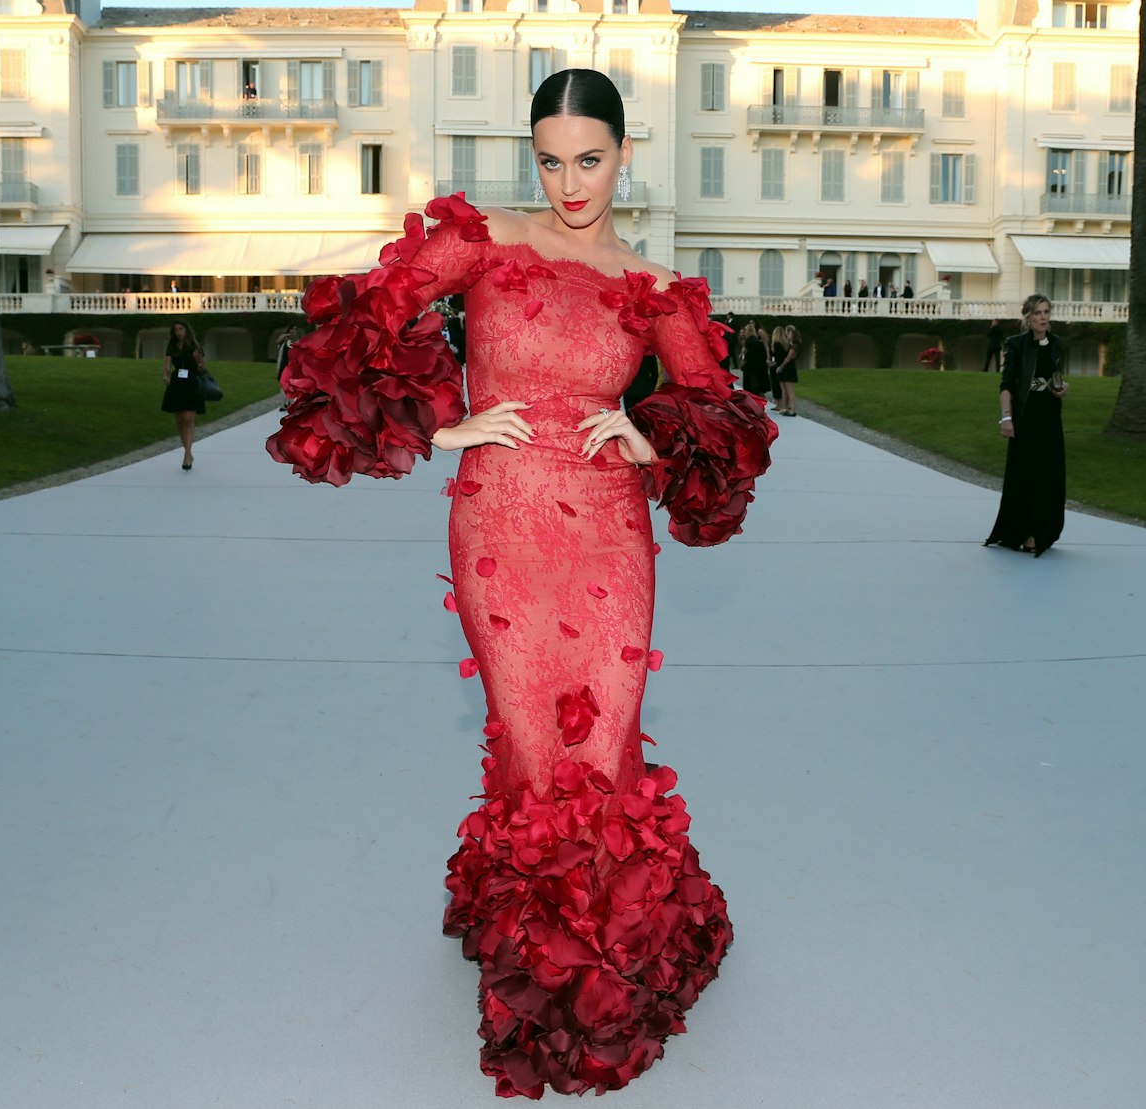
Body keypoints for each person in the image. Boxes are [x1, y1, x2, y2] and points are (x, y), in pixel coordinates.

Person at [266, 68, 776, 1098]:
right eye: (551, 159)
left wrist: (652, 432)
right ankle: (547, 976)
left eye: (589, 158)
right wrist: (438, 422)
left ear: (625, 156)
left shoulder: (652, 287)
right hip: (500, 519)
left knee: (607, 736)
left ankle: (618, 947)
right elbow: (360, 321)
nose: (569, 181)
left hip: (610, 535)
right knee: (538, 743)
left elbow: (723, 413)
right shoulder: (487, 241)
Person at [985, 294, 1068, 557]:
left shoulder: (1055, 343)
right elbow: (1007, 385)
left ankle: (1042, 531)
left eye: (1046, 312)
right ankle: (1024, 532)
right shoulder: (1016, 344)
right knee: (1026, 474)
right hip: (1025, 416)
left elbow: (1055, 377)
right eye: (1037, 313)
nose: (1043, 317)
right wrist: (1006, 417)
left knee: (1048, 474)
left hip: (1050, 417)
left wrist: (1062, 388)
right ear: (1028, 317)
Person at [160, 319, 207, 470]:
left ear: (186, 330)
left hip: (191, 383)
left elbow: (203, 369)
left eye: (181, 329)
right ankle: (187, 451)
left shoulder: (194, 345)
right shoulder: (172, 345)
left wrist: (198, 361)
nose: (179, 332)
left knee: (188, 418)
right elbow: (167, 364)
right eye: (176, 330)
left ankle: (187, 454)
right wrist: (165, 375)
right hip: (177, 384)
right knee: (180, 419)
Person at [740, 317, 772, 403]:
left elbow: (765, 343)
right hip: (758, 362)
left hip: (751, 363)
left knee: (752, 382)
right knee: (757, 381)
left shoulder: (752, 338)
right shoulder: (755, 339)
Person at [774, 323, 801, 416]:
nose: (787, 335)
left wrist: (780, 367)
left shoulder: (794, 346)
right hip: (788, 367)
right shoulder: (792, 345)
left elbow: (788, 358)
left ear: (793, 335)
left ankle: (793, 410)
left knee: (790, 390)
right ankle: (786, 408)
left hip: (789, 368)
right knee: (786, 389)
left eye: (789, 334)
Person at [275, 325, 302, 409]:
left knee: (292, 385)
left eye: (295, 329)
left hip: (293, 367)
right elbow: (277, 341)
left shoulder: (299, 342)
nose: (293, 331)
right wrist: (286, 335)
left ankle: (290, 403)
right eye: (291, 329)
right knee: (284, 385)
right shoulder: (284, 342)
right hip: (284, 366)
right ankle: (283, 405)